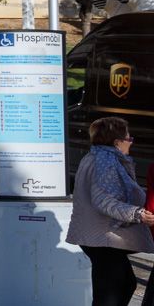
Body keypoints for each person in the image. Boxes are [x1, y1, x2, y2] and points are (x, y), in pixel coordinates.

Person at [66, 115, 154, 306]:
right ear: (116, 142)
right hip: (103, 237)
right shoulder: (105, 161)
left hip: (99, 236)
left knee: (124, 285)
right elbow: (103, 200)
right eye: (128, 138)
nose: (131, 142)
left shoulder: (98, 157)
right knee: (112, 293)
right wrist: (137, 214)